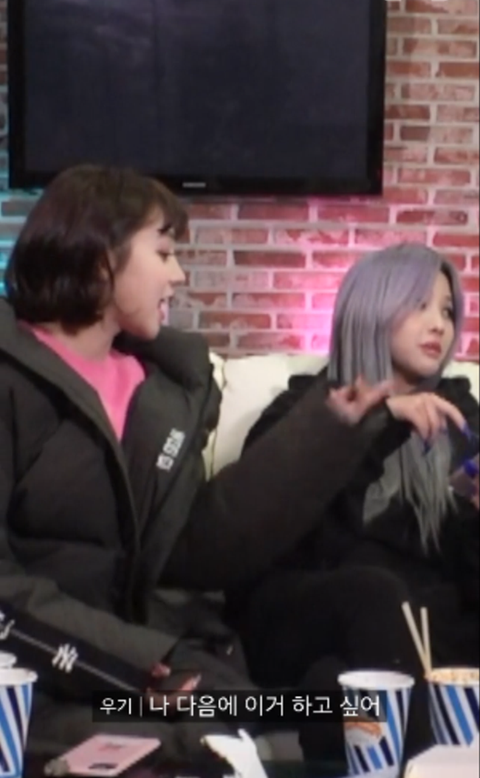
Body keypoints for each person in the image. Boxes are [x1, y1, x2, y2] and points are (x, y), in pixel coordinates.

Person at [0, 165, 419, 766]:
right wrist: (143, 662)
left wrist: (327, 432)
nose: (178, 274)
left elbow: (193, 549)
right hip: (41, 681)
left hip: (152, 676)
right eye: (164, 252)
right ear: (100, 258)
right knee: (198, 746)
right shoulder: (10, 378)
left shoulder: (167, 391)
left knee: (336, 716)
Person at [235, 243, 479, 763]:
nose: (439, 324)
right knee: (372, 590)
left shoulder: (459, 419)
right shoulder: (304, 412)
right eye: (419, 304)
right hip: (310, 610)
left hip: (407, 636)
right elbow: (274, 535)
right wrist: (379, 423)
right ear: (372, 306)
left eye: (446, 310)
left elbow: (465, 570)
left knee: (332, 689)